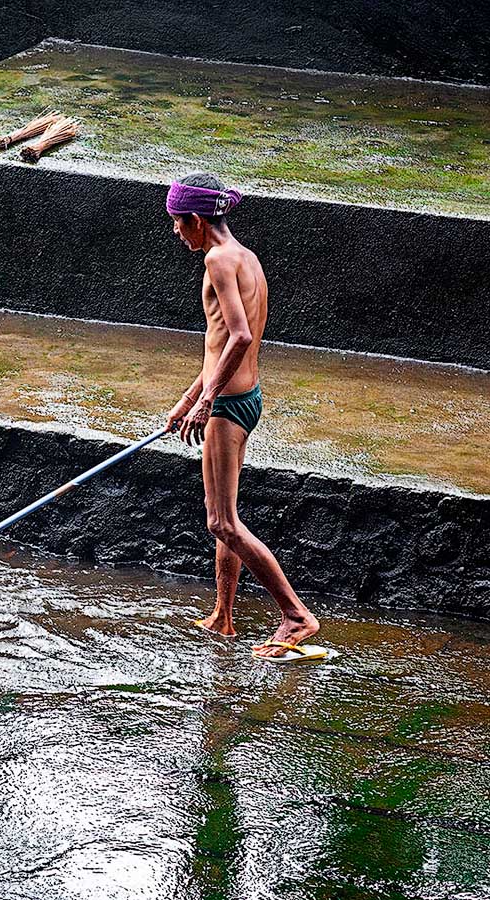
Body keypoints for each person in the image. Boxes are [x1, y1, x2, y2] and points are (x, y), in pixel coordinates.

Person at [162, 173, 319, 659]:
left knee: (221, 522)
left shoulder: (216, 259)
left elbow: (241, 337)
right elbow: (219, 347)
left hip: (228, 407)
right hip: (243, 398)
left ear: (196, 220)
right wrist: (188, 399)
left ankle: (296, 616)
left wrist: (207, 402)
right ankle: (223, 615)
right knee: (227, 514)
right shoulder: (246, 257)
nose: (176, 233)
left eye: (177, 224)